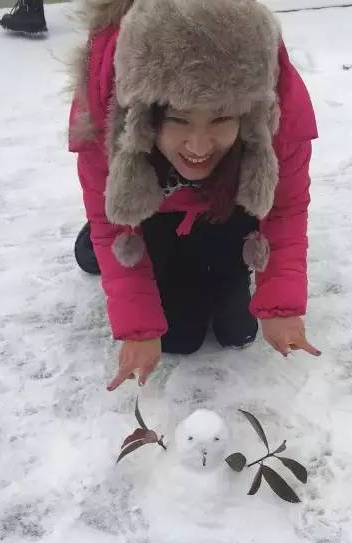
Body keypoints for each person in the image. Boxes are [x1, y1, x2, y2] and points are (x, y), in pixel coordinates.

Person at [69, 0, 321, 392]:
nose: (200, 145)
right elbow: (111, 222)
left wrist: (280, 304)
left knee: (237, 328)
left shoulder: (278, 114)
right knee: (178, 337)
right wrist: (138, 326)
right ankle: (102, 246)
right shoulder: (106, 117)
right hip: (155, 204)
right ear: (144, 117)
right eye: (179, 119)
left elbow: (285, 208)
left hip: (224, 202)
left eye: (221, 119)